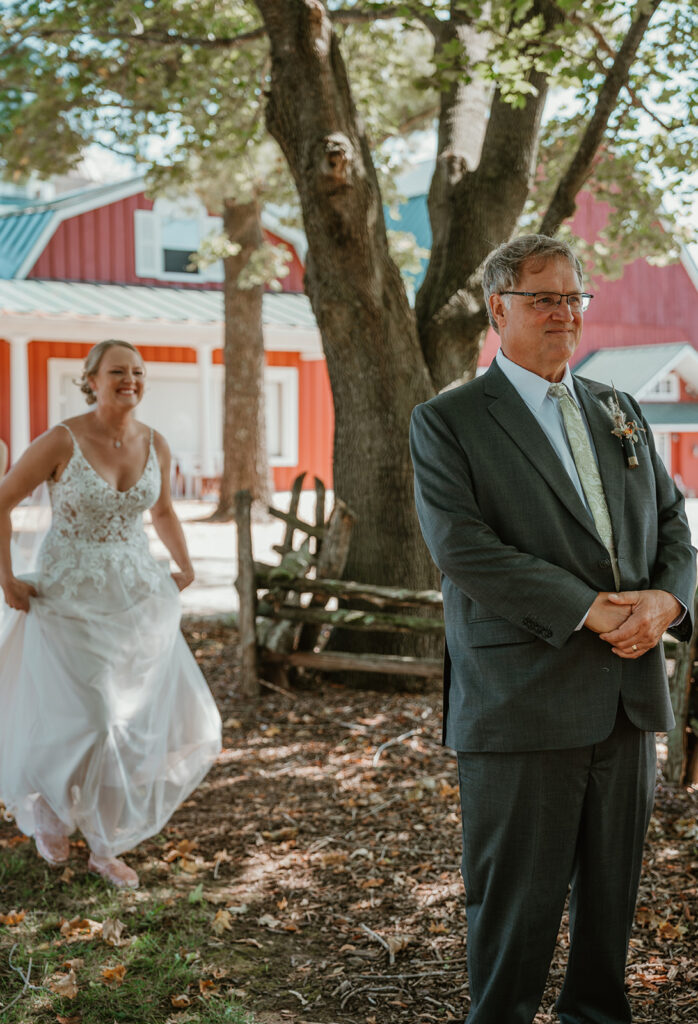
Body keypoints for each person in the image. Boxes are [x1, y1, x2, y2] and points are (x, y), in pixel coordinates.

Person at [409, 235, 696, 1024]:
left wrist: (666, 604)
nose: (565, 313)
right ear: (499, 309)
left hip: (630, 700)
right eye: (544, 298)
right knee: (514, 926)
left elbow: (674, 527)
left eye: (575, 297)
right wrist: (587, 606)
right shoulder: (448, 421)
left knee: (609, 923)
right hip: (522, 701)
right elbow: (463, 548)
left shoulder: (619, 408)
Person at [0, 339, 222, 889]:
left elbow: (165, 510)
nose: (131, 379)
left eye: (138, 372)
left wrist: (185, 564)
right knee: (91, 719)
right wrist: (5, 575)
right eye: (117, 371)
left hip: (137, 599)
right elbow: (2, 499)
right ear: (91, 379)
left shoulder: (156, 442)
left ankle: (103, 846)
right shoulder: (61, 440)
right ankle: (50, 808)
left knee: (125, 724)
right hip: (67, 599)